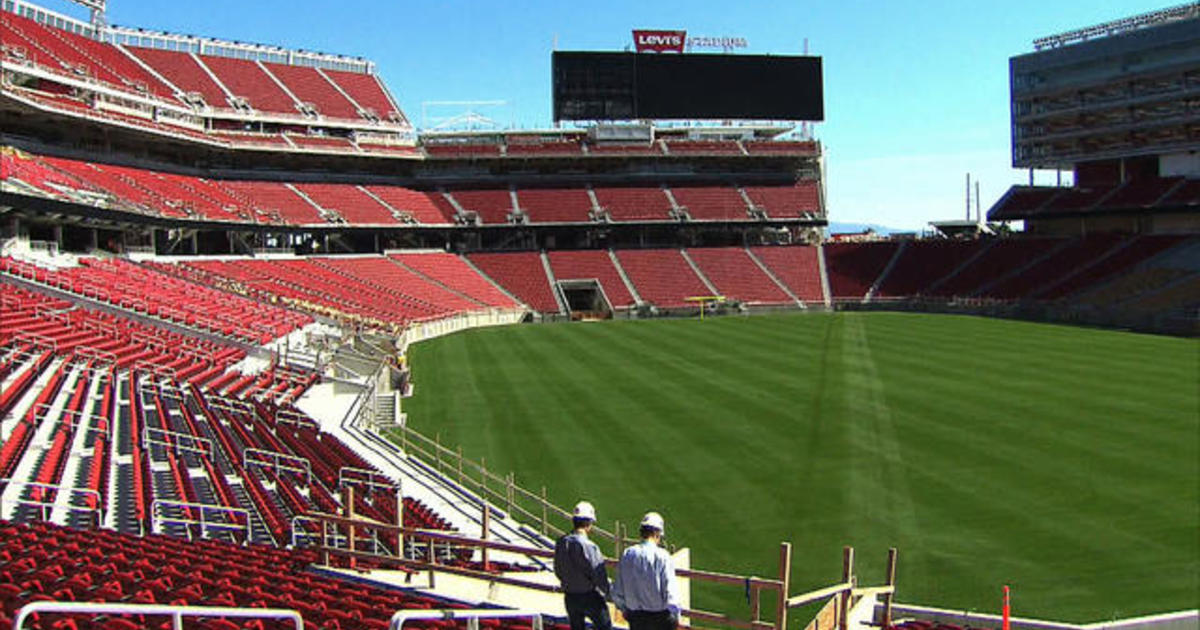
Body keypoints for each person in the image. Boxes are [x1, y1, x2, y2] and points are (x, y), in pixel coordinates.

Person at [612, 512, 680, 630]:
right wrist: (675, 616)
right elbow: (670, 592)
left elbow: (617, 591)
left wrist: (625, 610)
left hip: (637, 617)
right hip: (660, 617)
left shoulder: (628, 554)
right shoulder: (663, 556)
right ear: (657, 534)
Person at [554, 501, 612, 630]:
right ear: (589, 523)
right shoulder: (589, 546)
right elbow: (599, 574)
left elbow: (558, 570)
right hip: (589, 596)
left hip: (570, 596)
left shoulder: (561, 542)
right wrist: (609, 593)